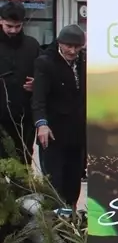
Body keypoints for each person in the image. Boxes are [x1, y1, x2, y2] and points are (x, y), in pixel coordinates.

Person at [32, 25, 87, 207]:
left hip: (78, 133)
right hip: (53, 132)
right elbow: (38, 98)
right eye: (68, 46)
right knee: (54, 182)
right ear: (59, 43)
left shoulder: (85, 61)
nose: (72, 51)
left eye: (77, 47)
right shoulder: (45, 62)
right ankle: (55, 219)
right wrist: (41, 124)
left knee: (74, 180)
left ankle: (71, 216)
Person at [0, 1, 40, 161]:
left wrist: (37, 84)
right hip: (1, 115)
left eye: (18, 26)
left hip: (24, 117)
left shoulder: (32, 45)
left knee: (23, 160)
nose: (13, 30)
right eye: (9, 26)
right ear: (1, 20)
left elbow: (43, 74)